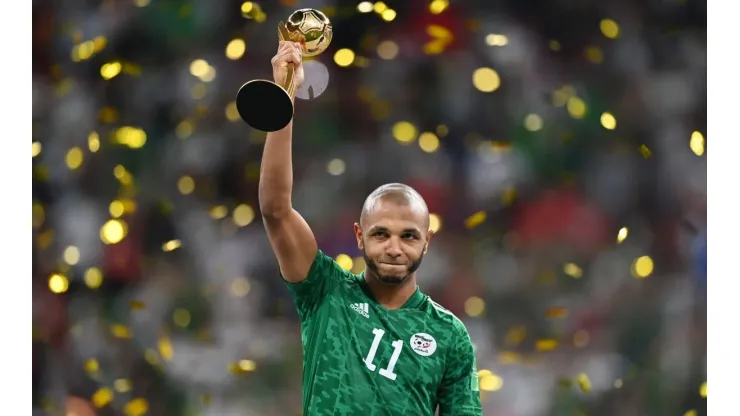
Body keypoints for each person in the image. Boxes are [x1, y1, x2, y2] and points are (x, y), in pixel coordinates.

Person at [259, 41, 482, 416]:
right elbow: (275, 210)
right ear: (360, 237)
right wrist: (285, 95)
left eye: (408, 236)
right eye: (381, 234)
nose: (395, 247)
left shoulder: (450, 336)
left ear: (426, 242)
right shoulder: (326, 292)